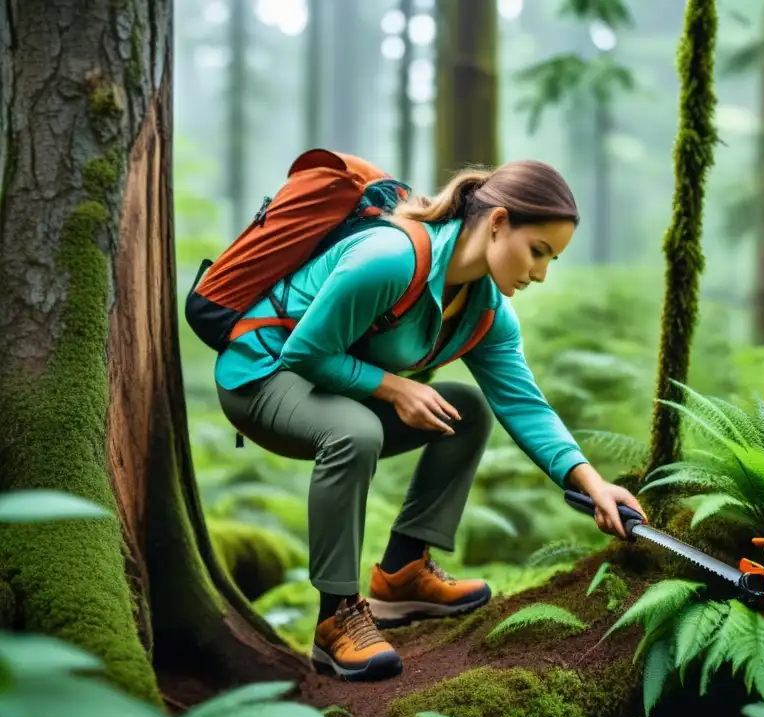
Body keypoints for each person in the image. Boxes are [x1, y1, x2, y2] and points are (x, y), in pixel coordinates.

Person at [214, 159, 648, 682]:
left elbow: (525, 404)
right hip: (262, 373)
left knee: (465, 409)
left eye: (551, 259)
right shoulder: (391, 259)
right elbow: (304, 354)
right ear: (497, 222)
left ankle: (402, 574)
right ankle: (337, 619)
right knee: (356, 430)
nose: (540, 273)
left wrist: (592, 482)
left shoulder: (485, 311)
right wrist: (395, 388)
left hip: (326, 382)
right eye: (538, 251)